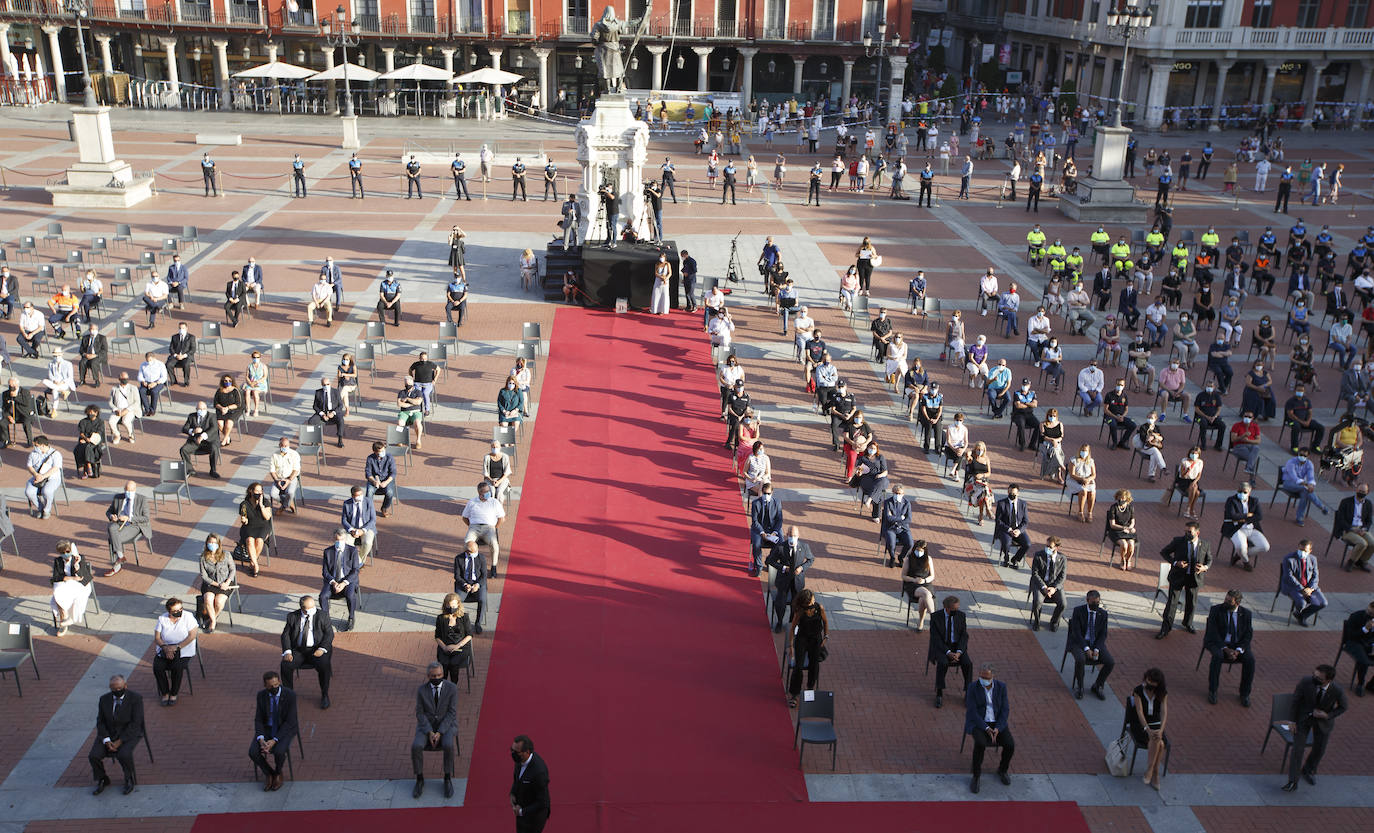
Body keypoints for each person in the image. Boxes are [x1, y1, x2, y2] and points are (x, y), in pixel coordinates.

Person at [1280, 664, 1348, 792]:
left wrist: (1328, 715)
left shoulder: (1337, 690)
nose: (1314, 679)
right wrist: (1292, 721)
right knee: (1297, 749)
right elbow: (1295, 701)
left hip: (1323, 722)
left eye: (1319, 678)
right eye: (1314, 675)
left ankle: (1308, 769)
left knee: (1320, 749)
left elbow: (1343, 707)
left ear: (1329, 680)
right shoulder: (1306, 681)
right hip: (1303, 719)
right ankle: (1293, 781)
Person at [89, 674, 144, 795]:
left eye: (120, 688)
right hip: (108, 734)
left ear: (125, 685)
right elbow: (100, 721)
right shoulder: (104, 699)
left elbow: (136, 724)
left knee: (124, 754)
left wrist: (120, 741)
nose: (117, 691)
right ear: (110, 688)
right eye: (114, 689)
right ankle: (102, 778)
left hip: (128, 734)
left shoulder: (136, 699)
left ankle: (129, 778)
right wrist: (107, 740)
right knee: (94, 755)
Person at [965, 662, 1014, 793]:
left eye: (986, 678)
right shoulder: (972, 687)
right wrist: (986, 728)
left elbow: (1005, 709)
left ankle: (1002, 770)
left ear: (993, 676)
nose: (983, 680)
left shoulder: (1001, 687)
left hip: (996, 723)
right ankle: (976, 776)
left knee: (1010, 745)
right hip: (979, 723)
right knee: (980, 744)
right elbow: (972, 711)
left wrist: (998, 728)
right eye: (981, 677)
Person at [1156, 521, 1210, 638]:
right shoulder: (1178, 541)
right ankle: (1166, 628)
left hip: (1194, 577)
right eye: (1185, 531)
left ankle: (1188, 623)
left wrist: (1204, 567)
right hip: (1178, 576)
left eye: (1189, 532)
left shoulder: (1205, 544)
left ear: (1197, 532)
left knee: (1191, 602)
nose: (1186, 534)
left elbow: (1209, 560)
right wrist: (1175, 563)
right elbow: (1164, 552)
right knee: (1172, 603)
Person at [1203, 589, 1255, 706]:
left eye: (1229, 601)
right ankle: (1213, 690)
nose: (1225, 603)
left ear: (1237, 603)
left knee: (1250, 660)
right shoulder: (1216, 610)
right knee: (1217, 656)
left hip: (1237, 646)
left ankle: (1244, 693)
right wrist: (1225, 648)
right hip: (1218, 643)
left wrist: (1238, 650)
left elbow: (1248, 634)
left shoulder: (1246, 614)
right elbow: (1213, 632)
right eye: (1225, 599)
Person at [280, 595, 333, 709]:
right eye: (310, 608)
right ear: (302, 609)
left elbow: (329, 634)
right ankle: (289, 695)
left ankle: (325, 694)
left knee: (324, 665)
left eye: (314, 606)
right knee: (285, 665)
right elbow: (285, 635)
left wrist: (322, 649)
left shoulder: (322, 616)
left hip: (317, 649)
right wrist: (287, 652)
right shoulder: (292, 617)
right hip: (299, 651)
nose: (313, 609)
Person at [151, 596, 198, 706]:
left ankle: (174, 693)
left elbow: (192, 636)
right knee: (158, 667)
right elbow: (157, 637)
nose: (179, 612)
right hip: (165, 648)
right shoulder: (162, 619)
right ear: (169, 611)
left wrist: (177, 647)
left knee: (177, 667)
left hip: (183, 648)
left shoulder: (188, 617)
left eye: (180, 609)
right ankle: (165, 693)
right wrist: (165, 648)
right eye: (176, 611)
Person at [1127, 668, 1169, 790]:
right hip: (1140, 725)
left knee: (1159, 740)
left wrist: (1161, 730)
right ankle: (1154, 772)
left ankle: (1151, 770)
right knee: (1159, 743)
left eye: (1152, 682)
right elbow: (1139, 712)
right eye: (1147, 680)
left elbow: (1164, 713)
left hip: (1156, 724)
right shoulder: (1138, 691)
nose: (1148, 683)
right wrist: (1147, 729)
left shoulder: (1162, 693)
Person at [765, 526, 812, 634]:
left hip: (797, 581)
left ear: (798, 536)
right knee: (780, 602)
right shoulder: (781, 547)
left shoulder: (804, 547)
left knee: (797, 604)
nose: (792, 538)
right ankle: (780, 622)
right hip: (783, 580)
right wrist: (783, 568)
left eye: (794, 536)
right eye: (790, 535)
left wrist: (802, 568)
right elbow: (769, 561)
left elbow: (811, 559)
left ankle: (792, 622)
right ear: (787, 535)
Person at [786, 588, 828, 709]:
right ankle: (794, 694)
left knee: (814, 665)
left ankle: (810, 689)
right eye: (811, 600)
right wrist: (791, 646)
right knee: (798, 667)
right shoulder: (800, 611)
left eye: (813, 599)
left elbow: (825, 622)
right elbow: (793, 628)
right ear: (805, 602)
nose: (813, 601)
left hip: (815, 640)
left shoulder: (819, 608)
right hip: (802, 640)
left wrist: (826, 636)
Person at [929, 595, 971, 708]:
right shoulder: (935, 617)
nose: (956, 611)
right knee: (943, 663)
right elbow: (935, 638)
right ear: (946, 608)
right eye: (954, 610)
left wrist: (959, 652)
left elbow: (964, 636)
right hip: (942, 648)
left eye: (957, 609)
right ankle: (939, 692)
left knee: (968, 663)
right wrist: (948, 652)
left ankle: (968, 692)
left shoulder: (961, 616)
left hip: (957, 648)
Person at [103, 480, 151, 576]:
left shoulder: (142, 499)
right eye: (126, 490)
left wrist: (129, 518)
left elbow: (146, 518)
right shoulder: (118, 498)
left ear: (135, 489)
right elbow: (108, 512)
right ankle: (120, 556)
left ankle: (117, 566)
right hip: (119, 522)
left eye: (131, 490)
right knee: (111, 528)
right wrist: (112, 516)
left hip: (135, 524)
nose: (128, 493)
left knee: (114, 538)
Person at [463, 480, 507, 576]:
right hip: (474, 528)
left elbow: (502, 518)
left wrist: (494, 528)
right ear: (480, 493)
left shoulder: (494, 502)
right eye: (486, 492)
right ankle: (469, 565)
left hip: (489, 528)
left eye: (488, 491)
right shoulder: (472, 502)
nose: (488, 493)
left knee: (495, 545)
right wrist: (471, 526)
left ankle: (494, 566)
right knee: (467, 543)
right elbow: (465, 517)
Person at [51, 540, 94, 636]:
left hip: (80, 585)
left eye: (67, 551)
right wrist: (70, 578)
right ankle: (64, 619)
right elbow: (55, 577)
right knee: (57, 594)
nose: (65, 554)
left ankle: (66, 621)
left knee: (60, 594)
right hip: (66, 583)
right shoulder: (58, 561)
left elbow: (82, 577)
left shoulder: (79, 558)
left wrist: (77, 566)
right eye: (62, 553)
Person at [509, 735, 551, 833]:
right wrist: (512, 793)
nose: (512, 754)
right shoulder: (519, 760)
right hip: (522, 810)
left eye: (516, 752)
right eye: (511, 750)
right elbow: (517, 779)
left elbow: (543, 802)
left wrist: (521, 811)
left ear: (527, 752)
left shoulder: (539, 772)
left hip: (535, 817)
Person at [1280, 447, 1331, 527]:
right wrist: (1307, 485)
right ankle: (1321, 506)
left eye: (1304, 455)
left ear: (1308, 456)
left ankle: (1299, 518)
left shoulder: (1309, 464)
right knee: (1305, 489)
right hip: (1289, 483)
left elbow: (1311, 477)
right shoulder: (1291, 462)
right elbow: (1294, 477)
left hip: (1302, 486)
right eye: (1301, 455)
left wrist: (1311, 485)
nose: (1302, 457)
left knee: (1305, 493)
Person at [1280, 540, 1327, 625]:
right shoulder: (1289, 559)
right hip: (1293, 587)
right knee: (1302, 603)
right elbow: (1288, 576)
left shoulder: (1313, 559)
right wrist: (1302, 589)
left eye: (1305, 551)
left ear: (1310, 551)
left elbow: (1315, 576)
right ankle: (1299, 613)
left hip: (1309, 588)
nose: (1302, 552)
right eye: (1300, 549)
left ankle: (1301, 615)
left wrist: (1310, 588)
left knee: (1322, 603)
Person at [197, 533, 235, 632]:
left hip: (225, 583)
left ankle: (211, 618)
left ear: (218, 544)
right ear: (207, 543)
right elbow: (204, 576)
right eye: (210, 542)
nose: (212, 544)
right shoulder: (203, 557)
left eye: (214, 542)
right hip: (211, 584)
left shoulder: (226, 555)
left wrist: (227, 583)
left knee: (219, 601)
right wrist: (217, 584)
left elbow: (232, 570)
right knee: (208, 599)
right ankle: (213, 621)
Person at [1028, 536, 1066, 631]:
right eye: (1046, 546)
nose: (1047, 548)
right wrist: (1044, 587)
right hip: (1041, 585)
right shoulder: (1038, 556)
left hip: (1054, 586)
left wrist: (1054, 588)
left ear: (1056, 547)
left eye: (1050, 547)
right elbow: (1035, 574)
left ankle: (1054, 622)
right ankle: (1037, 621)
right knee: (1037, 602)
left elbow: (1062, 577)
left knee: (1063, 604)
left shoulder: (1062, 558)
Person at [179, 401, 222, 479]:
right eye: (199, 409)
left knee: (214, 448)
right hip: (195, 442)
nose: (201, 410)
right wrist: (193, 431)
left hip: (209, 442)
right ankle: (190, 469)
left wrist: (202, 436)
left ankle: (213, 470)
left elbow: (214, 429)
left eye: (203, 409)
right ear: (196, 409)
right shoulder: (191, 416)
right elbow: (184, 428)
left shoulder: (212, 416)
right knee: (183, 449)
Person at [453, 541, 488, 635]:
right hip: (464, 584)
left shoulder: (481, 558)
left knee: (482, 600)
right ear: (467, 552)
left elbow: (484, 575)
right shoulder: (458, 558)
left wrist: (477, 585)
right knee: (456, 601)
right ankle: (459, 622)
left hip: (477, 583)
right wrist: (464, 584)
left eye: (476, 552)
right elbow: (457, 576)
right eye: (473, 553)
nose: (476, 554)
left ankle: (478, 623)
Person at [24, 435, 63, 519]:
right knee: (29, 492)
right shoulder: (33, 454)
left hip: (52, 478)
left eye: (36, 445)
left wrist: (43, 476)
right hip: (37, 476)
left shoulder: (56, 454)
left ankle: (47, 510)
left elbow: (55, 468)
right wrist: (36, 474)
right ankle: (40, 507)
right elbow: (29, 466)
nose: (34, 447)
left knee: (47, 491)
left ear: (43, 445)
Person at [238, 482, 272, 577]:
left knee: (260, 540)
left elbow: (267, 517)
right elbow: (244, 518)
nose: (259, 493)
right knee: (250, 540)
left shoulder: (265, 502)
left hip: (263, 526)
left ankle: (252, 563)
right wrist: (244, 520)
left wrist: (261, 505)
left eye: (260, 491)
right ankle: (255, 564)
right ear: (251, 491)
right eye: (256, 491)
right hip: (249, 526)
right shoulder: (244, 504)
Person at [749, 483, 783, 576]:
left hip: (773, 529)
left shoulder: (777, 502)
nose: (766, 495)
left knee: (781, 544)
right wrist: (762, 532)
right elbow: (755, 521)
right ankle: (758, 565)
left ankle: (770, 561)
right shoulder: (756, 503)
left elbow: (779, 519)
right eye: (764, 493)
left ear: (772, 492)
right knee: (756, 544)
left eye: (768, 493)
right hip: (759, 529)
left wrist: (775, 532)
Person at [993, 485, 1030, 568]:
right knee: (1006, 543)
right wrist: (1009, 529)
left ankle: (1015, 559)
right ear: (1007, 492)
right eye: (1010, 493)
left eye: (1014, 493)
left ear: (1018, 494)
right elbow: (998, 521)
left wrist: (1019, 530)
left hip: (1018, 530)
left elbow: (1025, 521)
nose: (1012, 495)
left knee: (1027, 544)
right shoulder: (1001, 503)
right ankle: (1006, 558)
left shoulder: (1023, 504)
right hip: (1005, 530)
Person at [879, 485, 914, 568]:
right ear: (893, 493)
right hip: (890, 528)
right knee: (891, 544)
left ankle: (901, 557)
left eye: (899, 493)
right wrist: (901, 518)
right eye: (896, 493)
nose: (897, 495)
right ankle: (892, 557)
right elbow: (888, 518)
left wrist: (897, 521)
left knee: (910, 543)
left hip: (903, 528)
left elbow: (908, 519)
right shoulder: (888, 502)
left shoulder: (907, 503)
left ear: (903, 494)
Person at [365, 440, 397, 518]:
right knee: (369, 492)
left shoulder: (389, 457)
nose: (383, 452)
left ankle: (384, 508)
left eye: (384, 450)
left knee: (389, 492)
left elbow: (393, 472)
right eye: (381, 451)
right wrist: (374, 481)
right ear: (375, 452)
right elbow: (368, 473)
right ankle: (369, 510)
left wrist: (386, 482)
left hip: (386, 480)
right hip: (374, 480)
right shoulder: (370, 458)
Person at [135, 352, 169, 417]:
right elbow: (140, 375)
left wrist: (155, 383)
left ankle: (152, 410)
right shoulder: (143, 365)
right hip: (146, 382)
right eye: (147, 361)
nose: (149, 362)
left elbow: (164, 377)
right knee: (141, 391)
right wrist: (143, 381)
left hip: (157, 382)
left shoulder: (160, 364)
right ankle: (147, 409)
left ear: (154, 358)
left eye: (150, 360)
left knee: (154, 391)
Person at [397, 375, 426, 450]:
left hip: (416, 411)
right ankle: (400, 439)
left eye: (408, 384)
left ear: (412, 383)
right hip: (404, 412)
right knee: (400, 423)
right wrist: (412, 403)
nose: (407, 386)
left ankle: (418, 440)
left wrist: (407, 399)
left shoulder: (418, 392)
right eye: (406, 384)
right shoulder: (402, 392)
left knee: (417, 423)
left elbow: (418, 402)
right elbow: (399, 404)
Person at [77, 323, 108, 388]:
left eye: (94, 329)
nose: (92, 330)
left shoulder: (102, 338)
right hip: (87, 355)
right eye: (91, 329)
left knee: (94, 362)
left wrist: (94, 355)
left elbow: (104, 350)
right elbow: (81, 349)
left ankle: (96, 380)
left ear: (97, 329)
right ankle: (82, 380)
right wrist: (85, 354)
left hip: (97, 356)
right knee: (82, 362)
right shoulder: (85, 338)